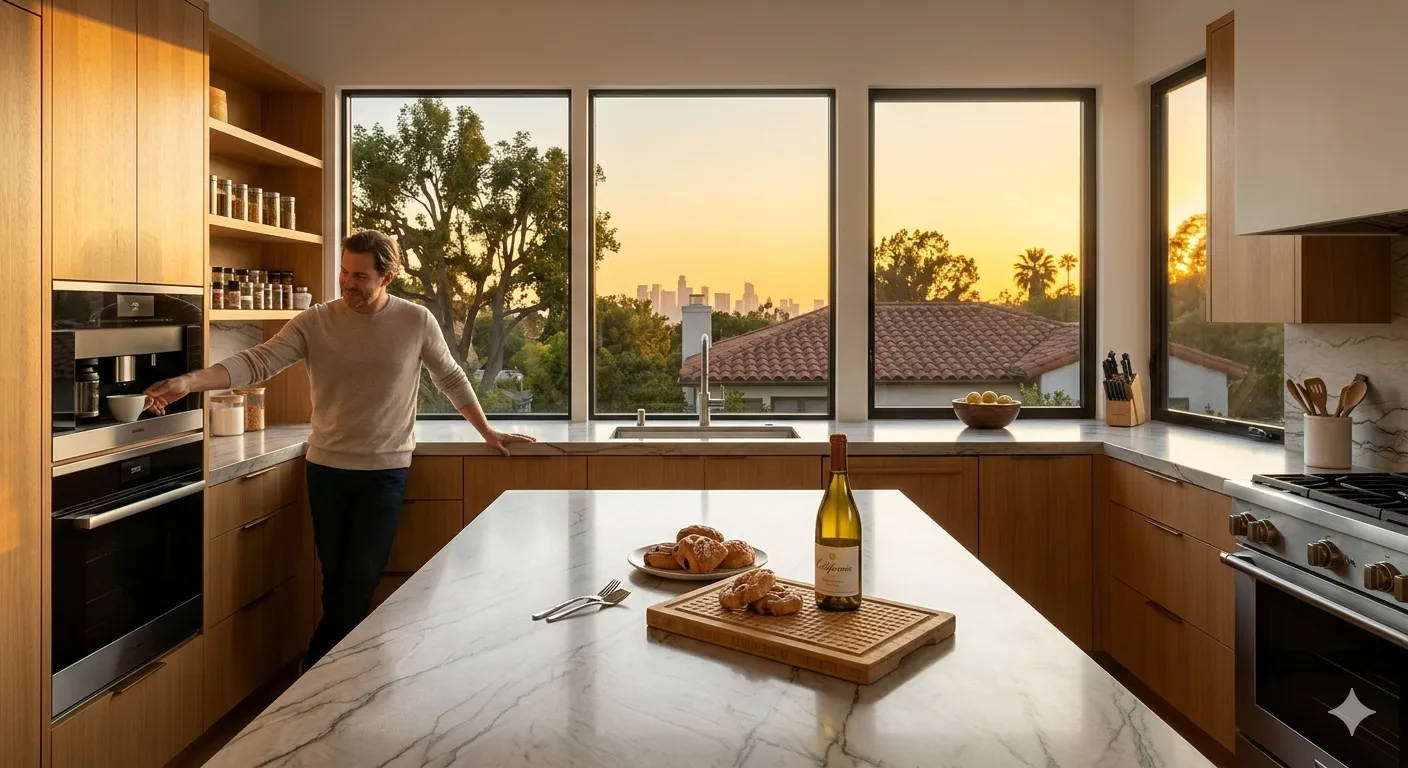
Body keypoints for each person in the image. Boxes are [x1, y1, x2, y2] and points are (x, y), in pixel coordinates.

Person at [145, 230, 534, 669]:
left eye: (360, 276)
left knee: (359, 581)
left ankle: (315, 673)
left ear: (387, 276)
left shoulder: (415, 321)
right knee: (337, 585)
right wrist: (187, 383)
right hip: (326, 469)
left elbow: (450, 377)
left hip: (385, 472)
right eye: (344, 273)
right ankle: (342, 683)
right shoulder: (316, 322)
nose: (348, 283)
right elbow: (257, 362)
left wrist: (487, 431)